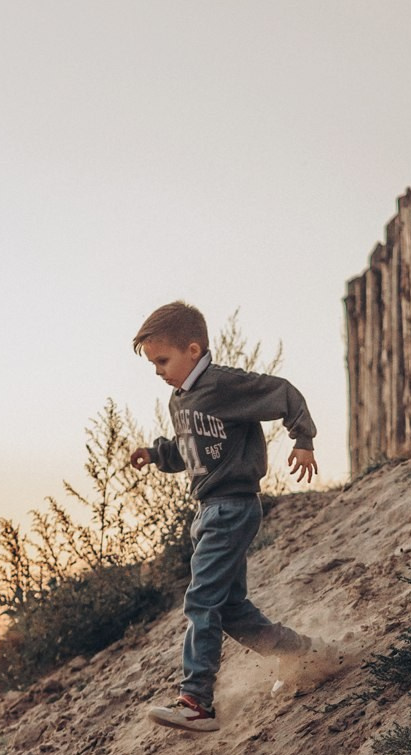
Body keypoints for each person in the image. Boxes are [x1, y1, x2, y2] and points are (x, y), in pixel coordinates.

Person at [129, 299, 320, 731]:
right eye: (153, 364)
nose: (158, 371)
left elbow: (284, 393)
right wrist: (155, 453)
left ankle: (196, 700)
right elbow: (187, 449)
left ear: (193, 350)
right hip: (208, 510)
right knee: (230, 608)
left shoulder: (224, 385)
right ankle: (299, 653)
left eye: (163, 360)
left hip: (232, 506)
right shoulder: (180, 401)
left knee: (201, 600)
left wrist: (303, 439)